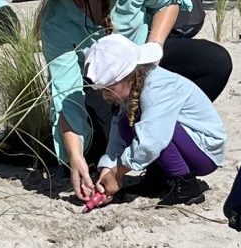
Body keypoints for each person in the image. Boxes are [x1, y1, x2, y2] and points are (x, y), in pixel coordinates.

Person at [17, 0, 229, 205]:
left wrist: (154, 47)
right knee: (114, 131)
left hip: (149, 60)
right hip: (105, 83)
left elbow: (169, 2)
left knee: (212, 63)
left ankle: (168, 162)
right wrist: (75, 157)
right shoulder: (56, 20)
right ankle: (146, 156)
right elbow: (66, 94)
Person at [82, 33, 227, 206]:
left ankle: (187, 185)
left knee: (155, 130)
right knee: (125, 123)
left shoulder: (157, 88)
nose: (105, 97)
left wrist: (118, 173)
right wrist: (107, 167)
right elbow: (117, 135)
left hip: (205, 150)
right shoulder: (134, 88)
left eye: (109, 89)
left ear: (127, 77)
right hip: (187, 143)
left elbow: (152, 140)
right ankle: (157, 179)